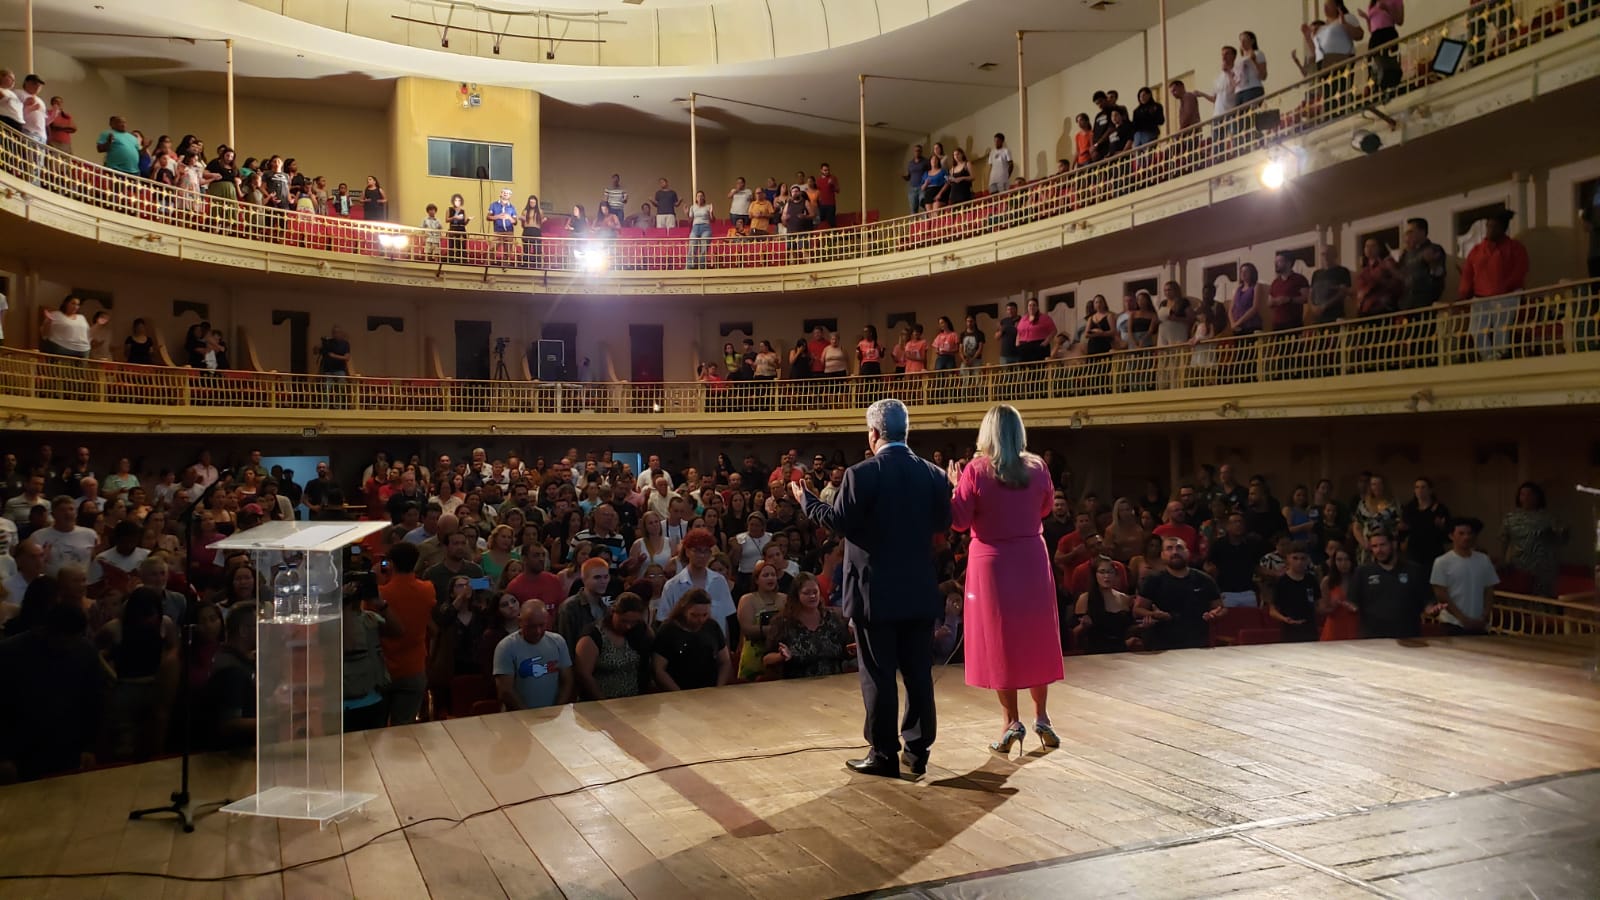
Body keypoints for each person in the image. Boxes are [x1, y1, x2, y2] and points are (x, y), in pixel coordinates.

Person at [792, 398, 951, 778]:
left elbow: (839, 522)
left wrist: (807, 501)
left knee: (878, 675)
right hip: (918, 589)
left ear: (874, 433)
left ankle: (883, 754)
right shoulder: (933, 474)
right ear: (906, 431)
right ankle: (918, 751)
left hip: (873, 592)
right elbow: (943, 522)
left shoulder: (861, 474)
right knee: (918, 674)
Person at [946, 405, 1062, 753]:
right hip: (1031, 558)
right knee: (1036, 634)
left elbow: (959, 521)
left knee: (1000, 639)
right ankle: (1042, 716)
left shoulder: (975, 470)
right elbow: (1045, 508)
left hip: (992, 560)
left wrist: (956, 486)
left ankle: (1011, 721)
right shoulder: (1038, 467)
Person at [1135, 536, 1225, 650]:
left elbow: (1221, 608)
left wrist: (1215, 614)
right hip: (1161, 645)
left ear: (1188, 553)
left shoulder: (1204, 579)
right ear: (1162, 555)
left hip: (1198, 644)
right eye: (1169, 548)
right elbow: (1137, 609)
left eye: (1179, 548)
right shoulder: (1153, 580)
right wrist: (1154, 615)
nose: (1175, 552)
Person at [1346, 531, 1432, 638]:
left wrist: (1431, 610)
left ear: (1394, 544)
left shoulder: (1414, 570)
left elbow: (1427, 600)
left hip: (1407, 636)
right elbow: (1352, 601)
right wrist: (1351, 607)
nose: (1379, 550)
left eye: (1383, 545)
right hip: (1372, 638)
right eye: (1374, 546)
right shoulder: (1362, 572)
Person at [493, 600, 573, 710]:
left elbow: (567, 680)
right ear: (520, 622)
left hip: (553, 713)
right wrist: (528, 715)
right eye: (531, 626)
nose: (538, 631)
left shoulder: (558, 642)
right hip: (519, 715)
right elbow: (505, 691)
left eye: (542, 625)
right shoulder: (506, 647)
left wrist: (557, 710)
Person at [573, 592, 653, 700]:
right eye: (624, 621)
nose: (628, 626)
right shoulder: (593, 636)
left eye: (634, 622)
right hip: (601, 700)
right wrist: (604, 701)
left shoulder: (639, 631)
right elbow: (584, 675)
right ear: (612, 612)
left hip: (635, 700)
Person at [652, 588, 731, 691]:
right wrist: (679, 693)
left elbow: (725, 661)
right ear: (684, 610)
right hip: (678, 691)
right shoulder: (668, 630)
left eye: (705, 615)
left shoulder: (712, 626)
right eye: (694, 615)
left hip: (709, 691)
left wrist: (719, 688)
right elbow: (659, 669)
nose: (700, 620)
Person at [1430, 517, 1498, 635]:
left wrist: (1485, 616)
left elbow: (1489, 590)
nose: (1466, 537)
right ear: (1451, 536)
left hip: (1479, 623)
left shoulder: (1483, 560)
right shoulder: (1442, 562)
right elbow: (1441, 594)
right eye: (1461, 534)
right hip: (1452, 623)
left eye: (1469, 533)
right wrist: (1462, 618)